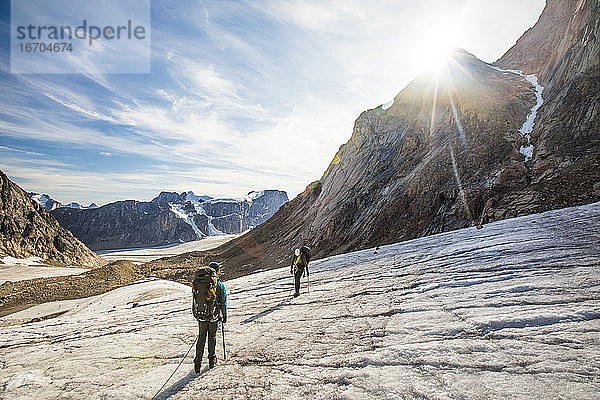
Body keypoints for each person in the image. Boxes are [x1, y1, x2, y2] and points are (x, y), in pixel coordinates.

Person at [193, 261, 227, 372]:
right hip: (213, 315)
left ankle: (197, 363)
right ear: (217, 271)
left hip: (201, 315)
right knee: (212, 337)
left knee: (201, 337)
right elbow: (223, 302)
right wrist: (224, 315)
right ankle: (212, 360)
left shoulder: (201, 282)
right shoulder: (219, 285)